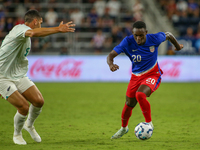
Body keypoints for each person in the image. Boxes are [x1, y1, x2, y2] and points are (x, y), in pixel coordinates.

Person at [0, 9, 75, 145]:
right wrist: (58, 29)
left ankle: (29, 125)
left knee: (39, 101)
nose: (41, 25)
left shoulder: (26, 38)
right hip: (2, 76)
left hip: (17, 75)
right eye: (40, 23)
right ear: (35, 21)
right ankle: (17, 134)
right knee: (23, 106)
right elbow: (34, 32)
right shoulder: (20, 29)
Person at [107, 21, 183, 139]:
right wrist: (111, 64)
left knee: (140, 95)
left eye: (141, 35)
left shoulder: (154, 39)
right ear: (132, 33)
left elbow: (168, 34)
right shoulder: (127, 41)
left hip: (153, 74)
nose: (138, 38)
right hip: (135, 76)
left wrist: (177, 47)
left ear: (146, 33)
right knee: (129, 104)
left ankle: (149, 123)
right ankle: (123, 128)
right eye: (136, 35)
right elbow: (110, 55)